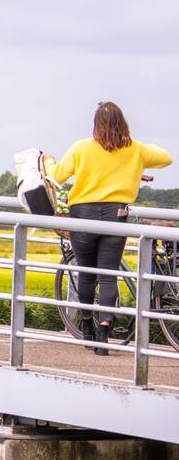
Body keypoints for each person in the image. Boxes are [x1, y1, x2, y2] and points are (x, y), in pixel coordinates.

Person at [50, 102, 171, 355]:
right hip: (116, 216)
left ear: (95, 124)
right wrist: (136, 163)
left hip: (82, 216)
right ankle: (104, 333)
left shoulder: (80, 148)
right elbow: (166, 157)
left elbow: (57, 177)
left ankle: (87, 329)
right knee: (108, 275)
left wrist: (47, 161)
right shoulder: (135, 149)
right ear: (122, 123)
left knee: (86, 273)